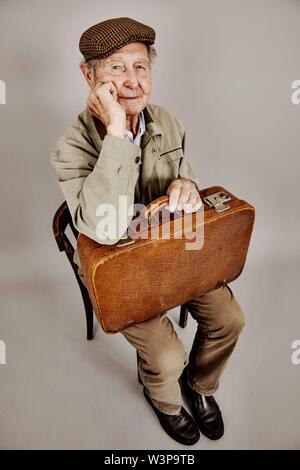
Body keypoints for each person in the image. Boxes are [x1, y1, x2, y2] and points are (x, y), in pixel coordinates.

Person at [51, 17, 245, 446]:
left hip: (172, 252)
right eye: (117, 69)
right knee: (166, 355)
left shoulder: (167, 122)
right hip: (119, 268)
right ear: (89, 76)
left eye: (141, 67)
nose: (133, 81)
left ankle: (200, 386)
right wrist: (118, 132)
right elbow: (105, 228)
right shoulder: (71, 148)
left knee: (231, 319)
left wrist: (187, 186)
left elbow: (188, 184)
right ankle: (167, 402)